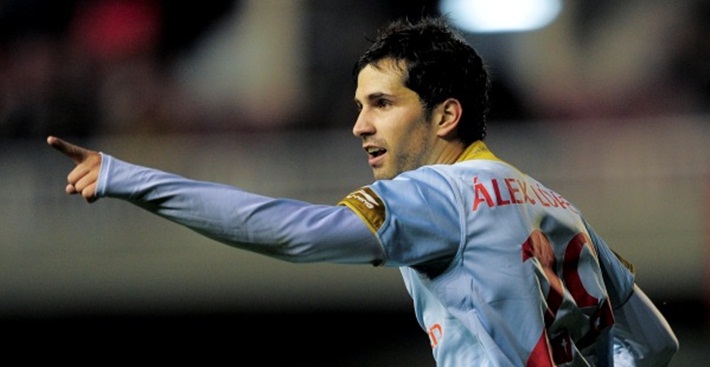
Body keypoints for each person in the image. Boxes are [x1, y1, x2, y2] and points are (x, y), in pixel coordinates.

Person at [47, 16, 678, 366]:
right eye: (358, 105)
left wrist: (128, 177)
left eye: (381, 104)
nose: (359, 126)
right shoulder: (558, 205)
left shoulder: (440, 196)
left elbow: (293, 232)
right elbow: (654, 346)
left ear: (446, 116)